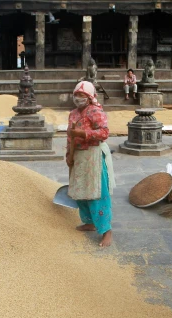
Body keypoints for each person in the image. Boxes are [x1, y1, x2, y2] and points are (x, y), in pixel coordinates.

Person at [66, 81, 115, 248]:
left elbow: (104, 132)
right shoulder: (73, 114)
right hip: (78, 156)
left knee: (96, 193)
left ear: (89, 97)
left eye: (82, 96)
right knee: (80, 191)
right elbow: (69, 137)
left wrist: (83, 133)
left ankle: (106, 230)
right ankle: (89, 222)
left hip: (93, 155)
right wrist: (68, 155)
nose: (78, 98)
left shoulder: (95, 111)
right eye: (76, 95)